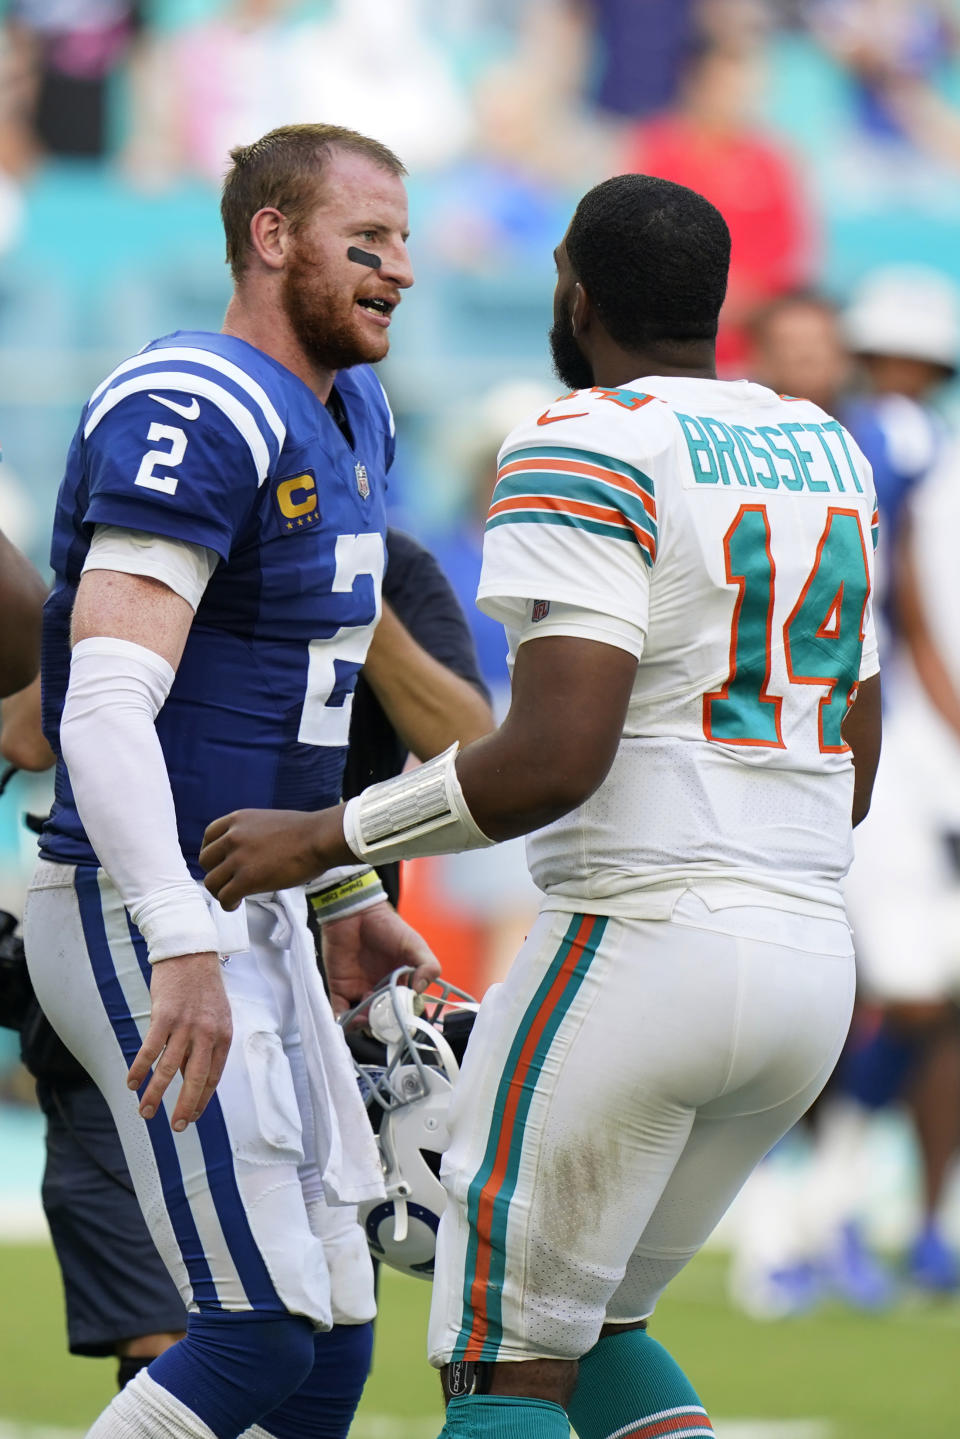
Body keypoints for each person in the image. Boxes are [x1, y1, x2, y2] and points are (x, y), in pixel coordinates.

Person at [201, 173, 882, 1439]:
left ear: (573, 283)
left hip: (643, 939)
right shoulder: (821, 442)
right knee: (602, 1327)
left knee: (502, 1364)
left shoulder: (585, 435)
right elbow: (859, 741)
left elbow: (550, 761)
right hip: (807, 957)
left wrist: (323, 836)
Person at [23, 121, 449, 1439]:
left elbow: (293, 715)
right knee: (256, 1331)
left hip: (267, 903)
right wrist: (180, 945)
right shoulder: (191, 405)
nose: (399, 271)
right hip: (134, 898)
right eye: (364, 242)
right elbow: (101, 706)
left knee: (333, 1330)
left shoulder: (353, 409)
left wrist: (343, 900)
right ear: (272, 237)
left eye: (405, 244)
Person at [10, 527, 492, 1395]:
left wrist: (349, 602)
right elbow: (39, 728)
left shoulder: (390, 561)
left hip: (314, 958)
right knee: (213, 1333)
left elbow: (471, 740)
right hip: (135, 941)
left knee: (318, 1322)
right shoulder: (163, 535)